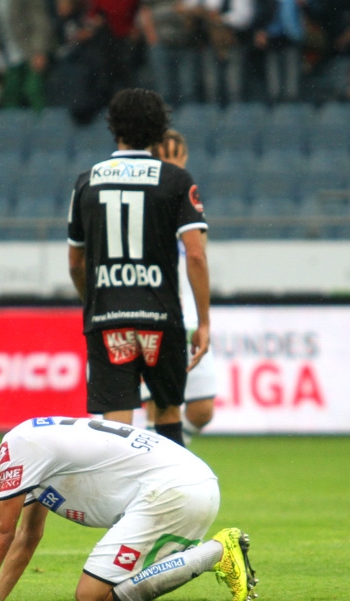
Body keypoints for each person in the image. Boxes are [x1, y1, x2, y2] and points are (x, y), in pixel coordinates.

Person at [0, 416, 257, 601]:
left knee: (91, 596)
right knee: (112, 589)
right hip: (188, 486)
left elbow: (3, 532)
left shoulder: (18, 448)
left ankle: (216, 552)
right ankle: (199, 555)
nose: (4, 504)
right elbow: (27, 536)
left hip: (169, 491)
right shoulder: (30, 455)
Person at [68, 88, 211, 448]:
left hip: (108, 318)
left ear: (113, 127)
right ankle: (174, 495)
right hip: (160, 317)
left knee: (116, 422)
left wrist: (96, 300)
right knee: (166, 413)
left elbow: (75, 264)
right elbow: (195, 255)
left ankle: (119, 503)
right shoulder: (176, 180)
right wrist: (204, 321)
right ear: (159, 130)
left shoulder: (86, 182)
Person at [141, 129, 217, 445]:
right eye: (165, 157)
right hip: (157, 317)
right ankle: (161, 458)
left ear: (184, 158)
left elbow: (198, 255)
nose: (172, 164)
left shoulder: (188, 199)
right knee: (159, 407)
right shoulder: (145, 202)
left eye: (176, 158)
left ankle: (167, 446)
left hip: (187, 319)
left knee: (202, 411)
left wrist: (202, 318)